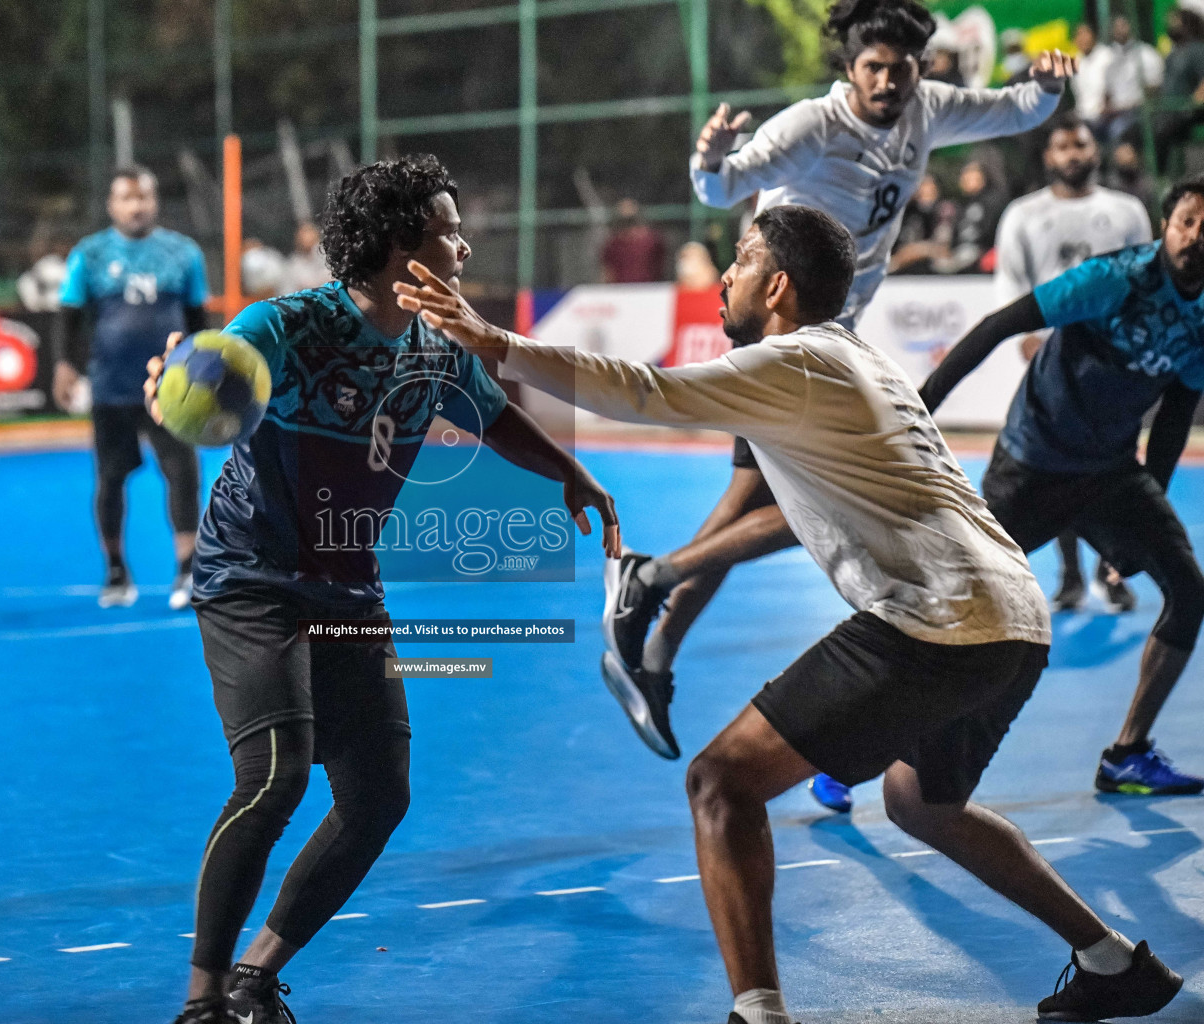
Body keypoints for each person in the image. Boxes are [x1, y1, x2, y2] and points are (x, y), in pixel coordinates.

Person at [394, 203, 1184, 1024]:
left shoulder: (792, 364)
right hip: (1012, 618)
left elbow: (645, 390)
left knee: (720, 782)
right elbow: (782, 516)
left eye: (739, 260)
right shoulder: (850, 361)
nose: (724, 275)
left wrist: (500, 346)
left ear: (776, 285)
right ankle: (1112, 962)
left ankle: (758, 1015)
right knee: (922, 805)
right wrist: (677, 570)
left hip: (933, 619)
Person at [158, 155, 618, 1024]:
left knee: (378, 798)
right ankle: (202, 1001)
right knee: (276, 776)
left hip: (346, 591)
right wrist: (179, 381)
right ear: (403, 246)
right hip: (251, 579)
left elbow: (492, 415)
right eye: (449, 228)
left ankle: (258, 976)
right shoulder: (288, 327)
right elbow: (209, 366)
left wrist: (569, 476)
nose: (464, 244)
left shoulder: (435, 347)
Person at [609, 0, 1073, 814]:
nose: (890, 81)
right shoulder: (811, 127)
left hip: (836, 346)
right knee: (803, 510)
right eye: (875, 69)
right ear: (849, 71)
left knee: (770, 505)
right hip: (789, 343)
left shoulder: (925, 109)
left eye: (903, 68)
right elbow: (723, 186)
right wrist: (712, 155)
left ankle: (656, 640)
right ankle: (653, 608)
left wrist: (1046, 87)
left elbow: (1013, 110)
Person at [918, 179, 1204, 797]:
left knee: (1187, 590)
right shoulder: (1114, 278)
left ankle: (1128, 754)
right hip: (1033, 464)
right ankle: (848, 749)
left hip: (1108, 473)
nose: (1197, 238)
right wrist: (921, 407)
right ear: (1165, 224)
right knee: (958, 608)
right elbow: (997, 326)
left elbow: (1177, 414)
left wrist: (1146, 504)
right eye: (1188, 222)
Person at [996, 113, 1153, 615]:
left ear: (1095, 151)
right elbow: (1010, 282)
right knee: (1055, 467)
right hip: (1049, 365)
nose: (1072, 155)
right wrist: (1027, 338)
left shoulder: (1126, 210)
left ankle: (1114, 570)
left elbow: (1146, 278)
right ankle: (1068, 576)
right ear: (1047, 156)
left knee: (1114, 467)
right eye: (1062, 146)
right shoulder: (1022, 214)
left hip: (1112, 365)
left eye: (1080, 145)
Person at [53, 166, 209, 610]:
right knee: (110, 479)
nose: (136, 206)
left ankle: (187, 571)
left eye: (143, 198)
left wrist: (204, 373)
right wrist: (65, 365)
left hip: (170, 388)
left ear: (155, 202)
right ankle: (117, 571)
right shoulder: (91, 254)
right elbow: (69, 316)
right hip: (111, 387)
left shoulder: (183, 254)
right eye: (126, 198)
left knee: (183, 475)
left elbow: (198, 320)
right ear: (112, 205)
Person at [1103, 15, 1164, 145]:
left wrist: (1130, 105)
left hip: (1139, 112)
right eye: (1116, 27)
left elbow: (1154, 91)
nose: (1119, 30)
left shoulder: (1147, 54)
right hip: (1115, 112)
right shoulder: (1109, 58)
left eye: (1123, 25)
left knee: (1117, 128)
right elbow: (1108, 93)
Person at [1157, 7, 1204, 173]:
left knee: (1160, 131)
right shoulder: (1173, 53)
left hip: (1190, 111)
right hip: (1168, 110)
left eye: (1175, 22)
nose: (1171, 25)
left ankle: (1161, 177)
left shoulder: (1197, 50)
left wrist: (1190, 106)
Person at [601, 198, 668, 282]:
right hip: (621, 290)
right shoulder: (613, 243)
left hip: (649, 289)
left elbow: (661, 264)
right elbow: (608, 271)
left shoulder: (651, 240)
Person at [1071, 22, 1115, 138]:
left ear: (1094, 36)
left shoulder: (1108, 57)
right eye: (1079, 35)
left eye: (1086, 34)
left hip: (1106, 117)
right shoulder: (1076, 63)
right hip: (1083, 118)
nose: (1083, 39)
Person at [280, 221, 333, 293]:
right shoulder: (294, 265)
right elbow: (288, 290)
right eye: (303, 236)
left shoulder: (328, 256)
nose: (307, 239)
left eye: (309, 234)